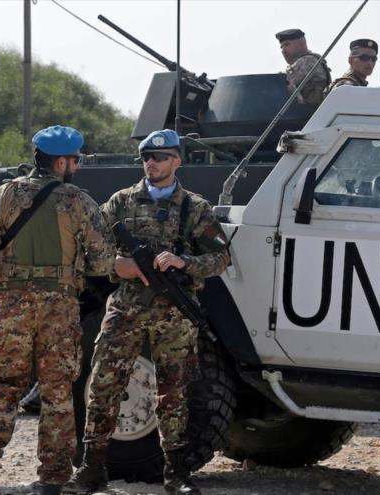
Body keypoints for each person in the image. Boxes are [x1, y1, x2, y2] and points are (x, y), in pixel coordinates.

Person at [66, 129, 230, 495]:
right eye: (147, 157)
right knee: (103, 387)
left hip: (173, 313)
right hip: (125, 308)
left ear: (177, 161)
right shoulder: (120, 204)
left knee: (174, 393)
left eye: (160, 157)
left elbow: (221, 259)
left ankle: (176, 472)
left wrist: (182, 261)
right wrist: (117, 265)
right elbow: (89, 251)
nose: (151, 163)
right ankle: (91, 469)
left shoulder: (195, 209)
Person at [0, 125, 115, 495]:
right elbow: (104, 261)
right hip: (59, 306)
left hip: (10, 303)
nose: (76, 165)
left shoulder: (4, 195)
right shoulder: (78, 201)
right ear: (61, 161)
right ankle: (52, 480)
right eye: (75, 159)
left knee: (3, 385)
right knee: (57, 391)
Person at [276, 28, 331, 105]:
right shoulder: (310, 60)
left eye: (286, 44)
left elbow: (283, 84)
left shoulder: (307, 60)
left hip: (311, 111)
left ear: (301, 44)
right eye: (281, 47)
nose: (283, 50)